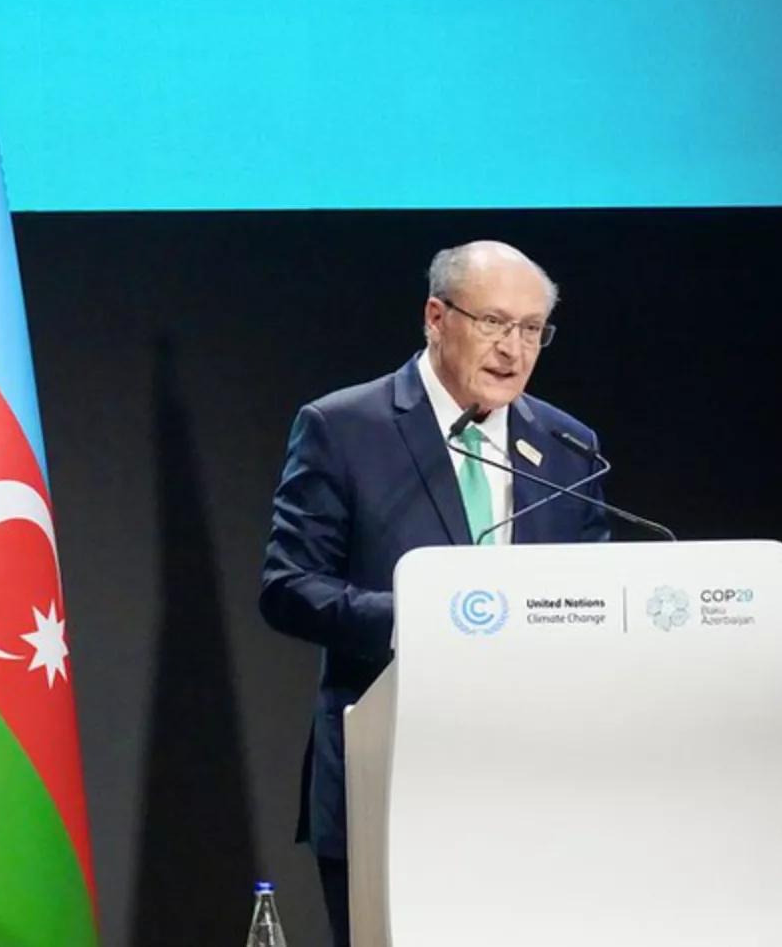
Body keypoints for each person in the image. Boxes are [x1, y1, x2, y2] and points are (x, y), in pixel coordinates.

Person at [259, 240, 610, 946]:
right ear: (436, 317)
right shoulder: (345, 427)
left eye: (532, 329)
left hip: (530, 784)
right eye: (493, 323)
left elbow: (595, 599)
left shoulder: (570, 448)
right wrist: (425, 620)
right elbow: (289, 588)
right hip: (389, 778)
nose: (514, 349)